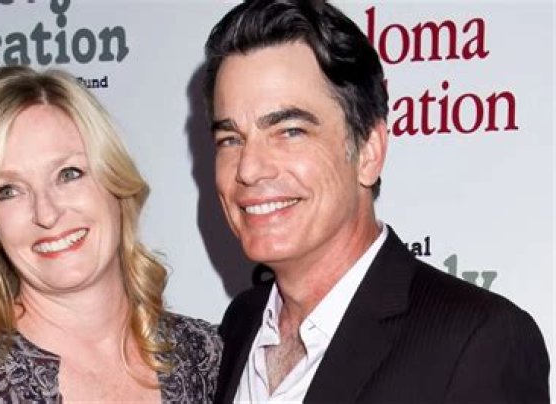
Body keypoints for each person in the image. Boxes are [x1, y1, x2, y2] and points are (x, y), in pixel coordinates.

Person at [203, 0, 550, 402]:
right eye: (230, 139)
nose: (249, 169)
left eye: (290, 131)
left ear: (369, 152)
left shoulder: (478, 342)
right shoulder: (239, 325)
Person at [0, 66, 221, 402]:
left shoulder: (206, 357)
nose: (47, 213)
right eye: (9, 190)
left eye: (68, 174)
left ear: (115, 180)